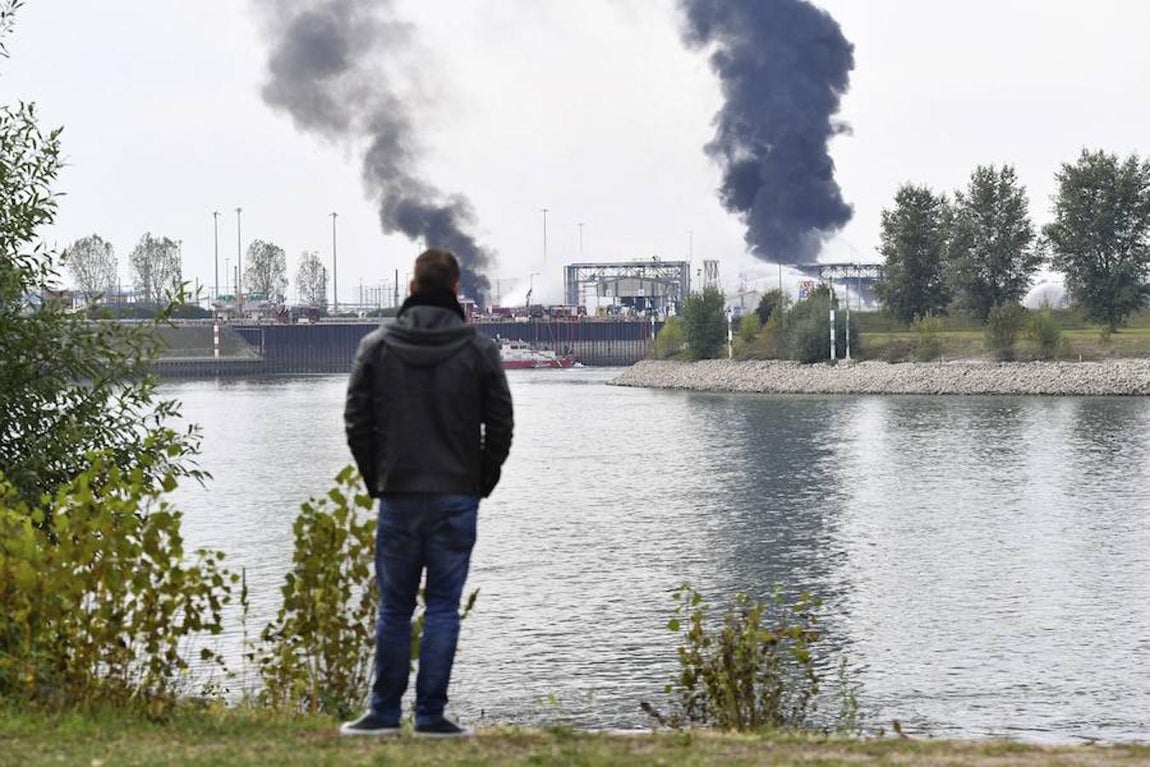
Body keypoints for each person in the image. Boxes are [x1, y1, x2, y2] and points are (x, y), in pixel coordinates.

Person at [341, 249, 514, 738]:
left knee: (394, 607)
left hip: (398, 494)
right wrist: (482, 479)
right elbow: (501, 423)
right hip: (456, 494)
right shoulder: (479, 351)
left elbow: (356, 422)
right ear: (457, 290)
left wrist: (377, 478)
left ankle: (383, 714)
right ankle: (432, 716)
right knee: (442, 606)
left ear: (412, 288)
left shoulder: (376, 347)